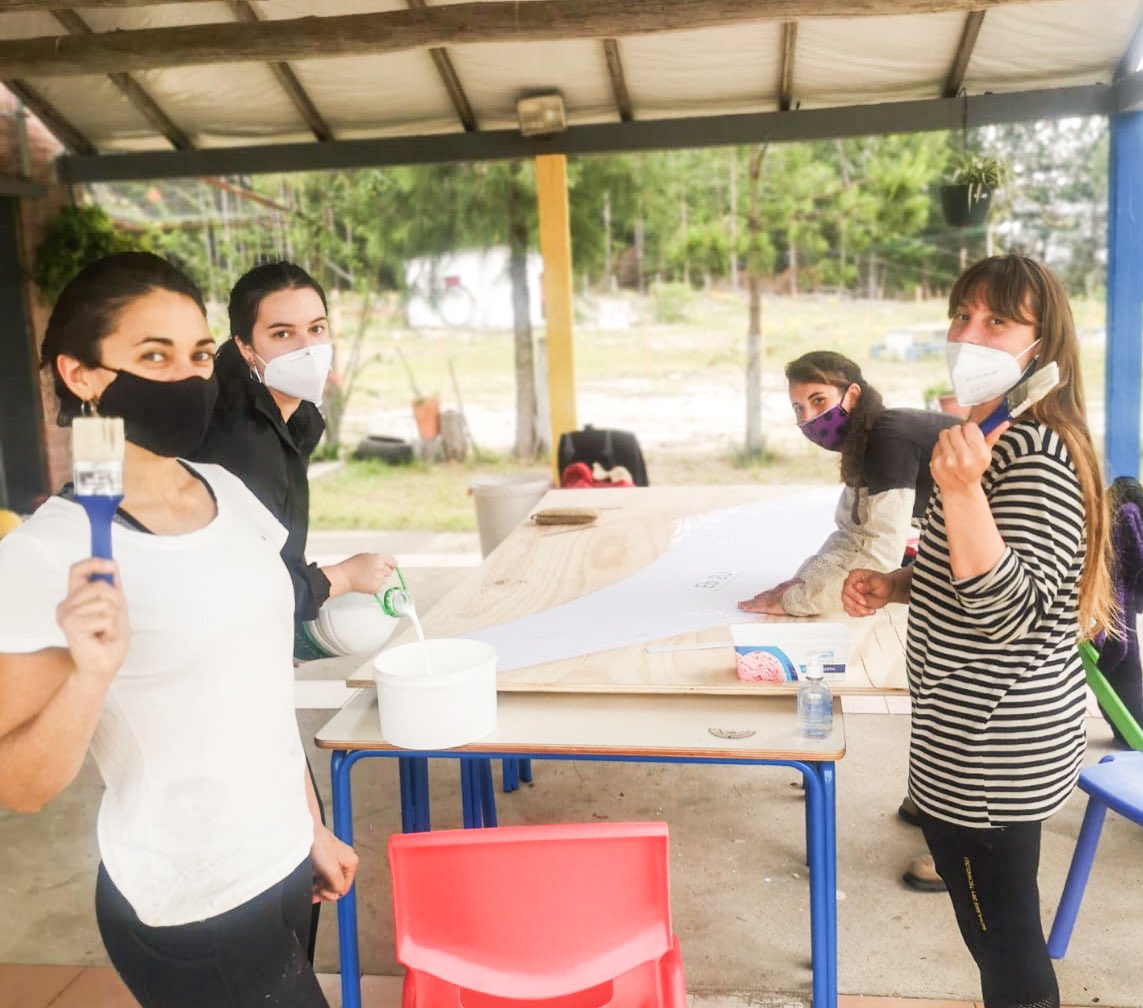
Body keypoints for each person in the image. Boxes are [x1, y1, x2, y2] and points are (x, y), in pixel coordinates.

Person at [0, 252, 355, 1007]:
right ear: (83, 374)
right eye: (152, 355)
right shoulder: (48, 555)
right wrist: (90, 675)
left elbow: (259, 692)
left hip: (285, 859)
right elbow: (19, 786)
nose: (188, 377)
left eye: (197, 354)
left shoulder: (228, 490)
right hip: (191, 901)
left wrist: (309, 827)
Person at [842, 254, 1114, 1008]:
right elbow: (964, 568)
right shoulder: (990, 435)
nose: (969, 334)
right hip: (966, 726)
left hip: (991, 746)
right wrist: (896, 583)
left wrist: (959, 488)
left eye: (996, 320)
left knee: (1002, 942)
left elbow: (1013, 614)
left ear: (1042, 342)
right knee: (993, 929)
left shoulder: (1034, 453)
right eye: (961, 315)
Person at [193, 261, 396, 659]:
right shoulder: (241, 439)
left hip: (256, 608)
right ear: (245, 347)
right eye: (283, 333)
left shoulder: (296, 414)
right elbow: (248, 582)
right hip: (218, 629)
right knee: (360, 623)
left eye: (316, 329)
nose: (307, 348)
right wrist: (343, 576)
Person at [738, 351, 959, 618]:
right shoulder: (866, 441)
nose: (808, 417)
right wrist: (802, 583)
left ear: (852, 396)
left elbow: (881, 556)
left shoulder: (887, 440)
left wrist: (796, 602)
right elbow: (853, 534)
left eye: (818, 401)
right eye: (799, 408)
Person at [1096, 475, 1143, 741]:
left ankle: (1128, 728)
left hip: (1113, 597)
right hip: (1121, 600)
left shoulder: (1119, 515)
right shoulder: (1131, 514)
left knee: (1124, 663)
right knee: (1129, 663)